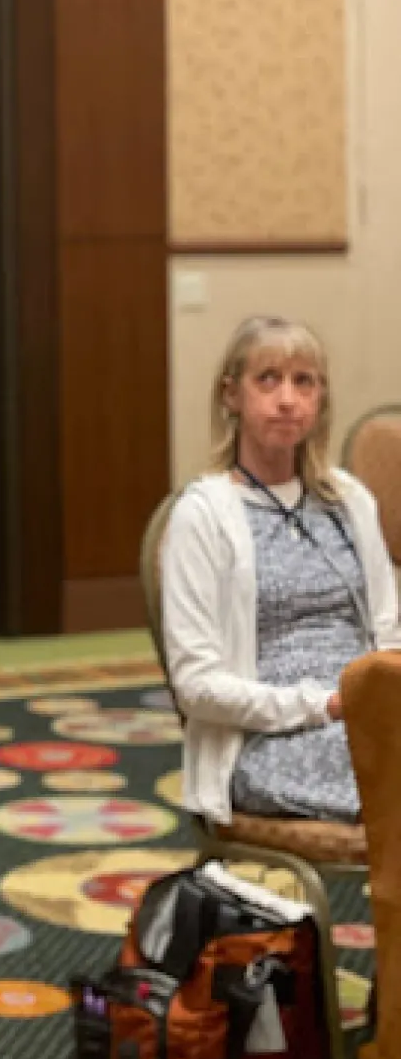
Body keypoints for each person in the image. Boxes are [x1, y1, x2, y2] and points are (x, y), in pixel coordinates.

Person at [162, 315, 398, 828]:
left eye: (303, 381)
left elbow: (389, 633)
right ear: (232, 395)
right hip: (266, 740)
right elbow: (196, 686)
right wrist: (325, 706)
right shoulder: (202, 515)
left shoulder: (349, 500)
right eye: (267, 379)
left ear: (321, 400)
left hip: (370, 717)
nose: (287, 398)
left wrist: (373, 703)